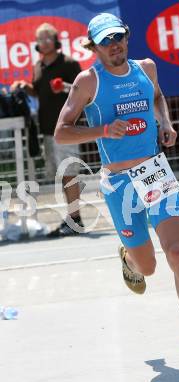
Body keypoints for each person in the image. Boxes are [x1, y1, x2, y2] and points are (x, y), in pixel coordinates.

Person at [54, 13, 179, 368]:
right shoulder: (88, 81)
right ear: (94, 47)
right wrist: (103, 131)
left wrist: (166, 122)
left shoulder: (146, 68)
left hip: (155, 172)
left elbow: (157, 98)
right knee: (149, 267)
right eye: (106, 42)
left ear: (127, 37)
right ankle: (128, 257)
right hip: (118, 183)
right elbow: (61, 132)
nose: (115, 46)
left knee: (177, 253)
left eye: (119, 38)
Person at [11, 23, 83, 237]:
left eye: (46, 38)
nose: (43, 42)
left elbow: (83, 91)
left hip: (67, 127)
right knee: (60, 174)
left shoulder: (69, 63)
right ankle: (71, 218)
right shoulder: (38, 66)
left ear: (56, 40)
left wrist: (65, 87)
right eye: (39, 39)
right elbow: (38, 94)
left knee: (70, 173)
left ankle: (76, 219)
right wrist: (25, 87)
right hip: (48, 129)